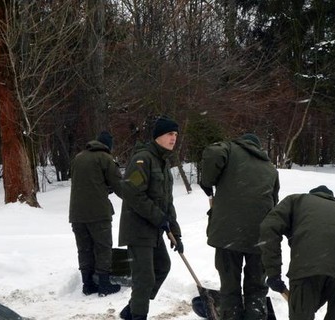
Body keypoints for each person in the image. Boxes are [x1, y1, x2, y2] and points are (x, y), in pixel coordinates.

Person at [199, 133, 280, 320]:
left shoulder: (230, 149)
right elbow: (274, 204)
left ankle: (232, 316)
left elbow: (213, 152)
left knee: (230, 288)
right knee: (257, 289)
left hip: (228, 236)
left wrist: (207, 182)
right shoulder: (270, 168)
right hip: (260, 238)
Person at [259, 185, 335, 320]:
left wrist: (273, 273)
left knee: (301, 314)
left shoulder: (296, 200)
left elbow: (269, 227)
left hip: (309, 263)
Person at [118, 116, 183, 320]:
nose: (174, 138)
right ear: (158, 137)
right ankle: (138, 314)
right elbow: (131, 191)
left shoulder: (163, 163)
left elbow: (167, 203)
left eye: (175, 135)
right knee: (144, 278)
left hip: (153, 230)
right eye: (169, 134)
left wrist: (176, 233)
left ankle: (132, 309)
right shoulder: (143, 159)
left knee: (163, 267)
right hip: (138, 229)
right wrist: (158, 218)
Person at [69, 131, 123, 296]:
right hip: (98, 213)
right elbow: (119, 185)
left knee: (84, 249)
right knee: (103, 247)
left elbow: (85, 182)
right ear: (108, 146)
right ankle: (104, 285)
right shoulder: (106, 159)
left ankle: (87, 284)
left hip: (77, 214)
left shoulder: (78, 158)